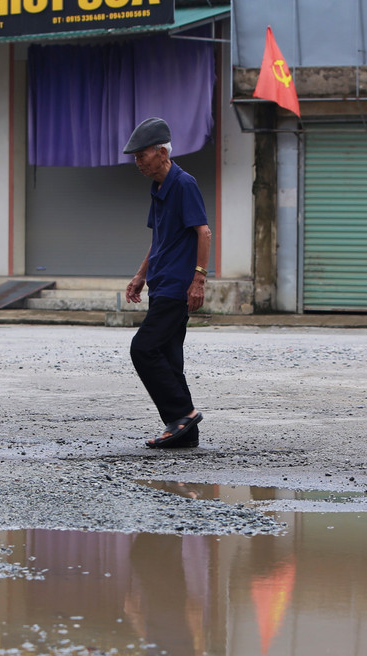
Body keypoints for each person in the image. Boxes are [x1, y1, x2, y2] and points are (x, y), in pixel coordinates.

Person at [122, 117, 211, 449]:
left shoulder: (184, 184)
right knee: (169, 356)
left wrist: (199, 279)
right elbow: (158, 238)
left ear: (162, 152)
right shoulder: (158, 188)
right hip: (161, 284)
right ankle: (185, 434)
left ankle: (183, 414)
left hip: (177, 286)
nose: (138, 162)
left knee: (143, 349)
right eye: (135, 157)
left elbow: (204, 232)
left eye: (142, 155)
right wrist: (141, 275)